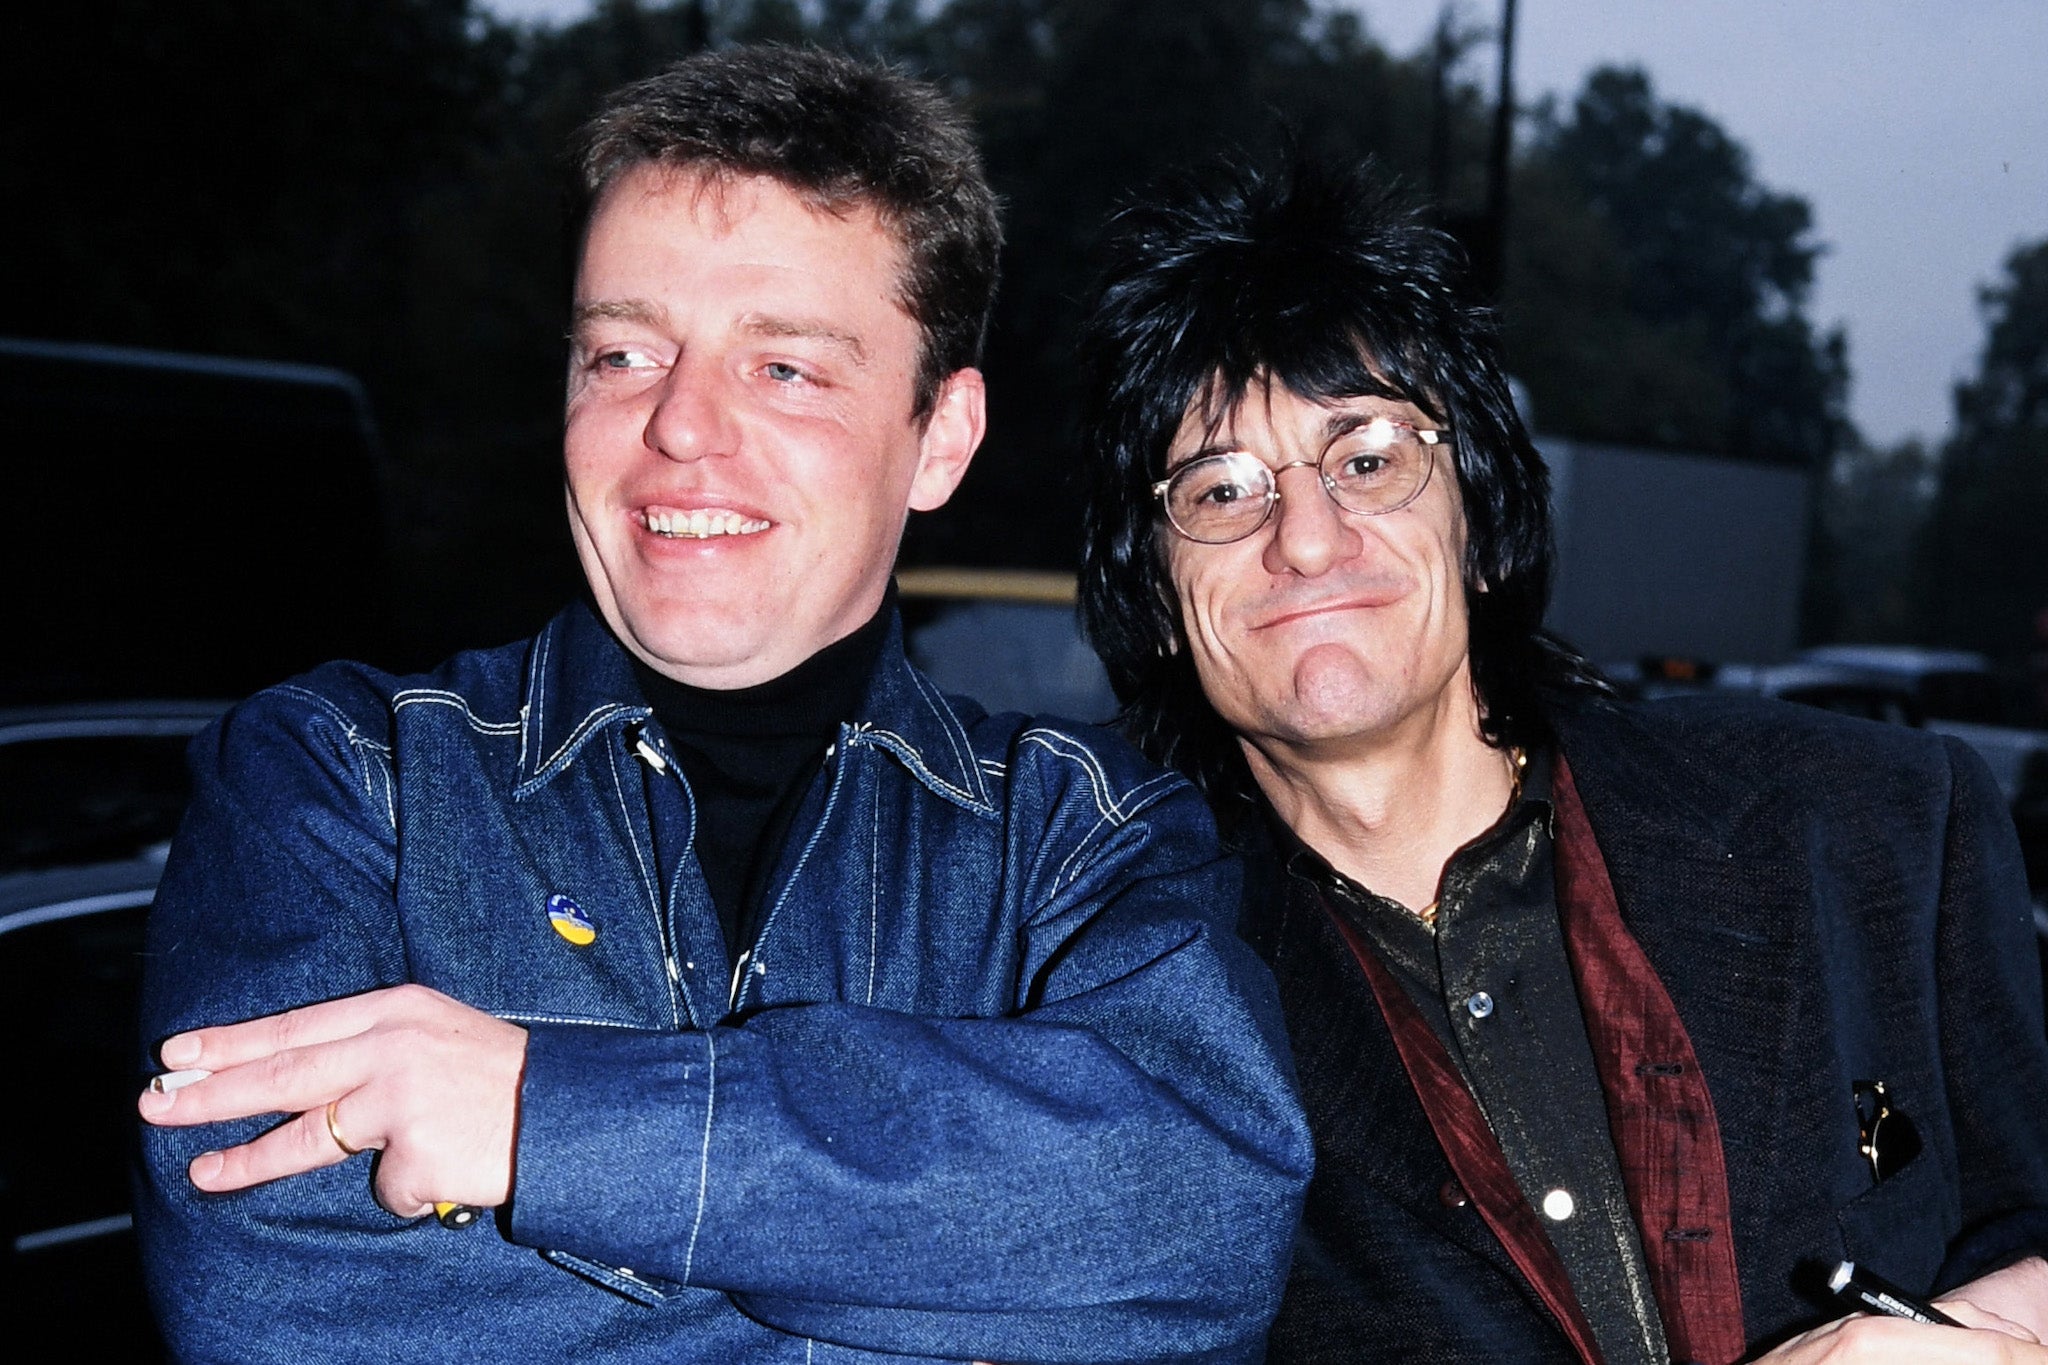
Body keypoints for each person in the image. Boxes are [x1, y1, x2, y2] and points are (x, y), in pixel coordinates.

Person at [135, 47, 1309, 1365]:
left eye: (785, 369)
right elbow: (268, 1298)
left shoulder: (1081, 837)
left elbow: (1200, 1203)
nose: (681, 426)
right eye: (623, 353)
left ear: (942, 437)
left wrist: (540, 1117)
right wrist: (958, 1268)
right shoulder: (340, 783)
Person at [1074, 152, 2048, 1365]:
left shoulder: (1881, 827)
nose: (1308, 540)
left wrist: (1992, 1331)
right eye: (1219, 491)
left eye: (1368, 459)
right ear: (1158, 599)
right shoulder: (1115, 991)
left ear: (1476, 518)